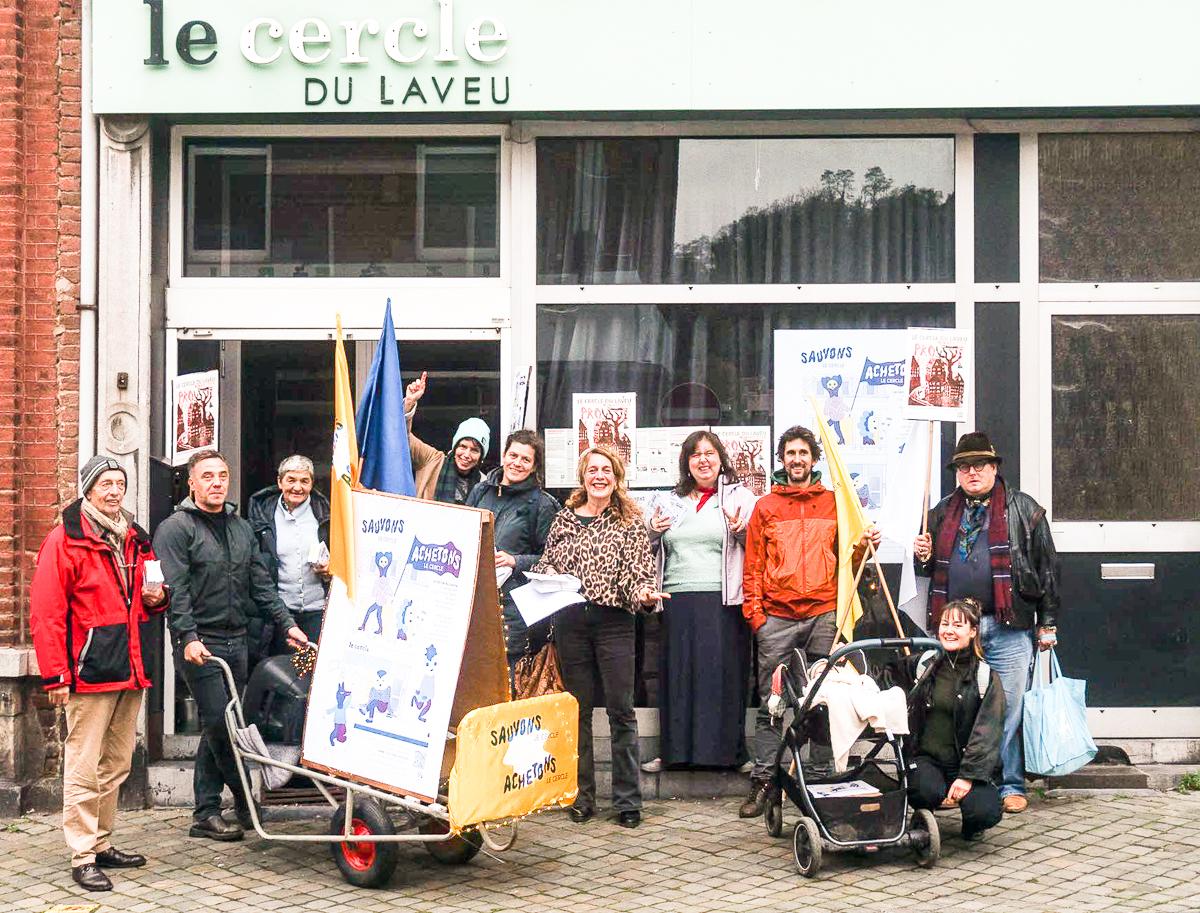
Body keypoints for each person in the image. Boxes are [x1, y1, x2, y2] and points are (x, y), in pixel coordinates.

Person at [153, 450, 310, 842]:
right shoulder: (176, 529)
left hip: (237, 639)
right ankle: (243, 800)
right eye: (207, 476)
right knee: (222, 725)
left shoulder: (240, 528)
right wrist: (187, 637)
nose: (217, 482)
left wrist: (287, 624)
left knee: (220, 723)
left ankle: (205, 811)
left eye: (222, 475)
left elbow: (260, 585)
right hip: (200, 642)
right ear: (191, 483)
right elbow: (178, 592)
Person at [29, 456, 169, 892]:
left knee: (117, 764)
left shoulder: (135, 538)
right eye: (104, 484)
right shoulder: (65, 540)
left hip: (129, 667)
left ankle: (103, 842)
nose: (113, 491)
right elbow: (47, 612)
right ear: (87, 490)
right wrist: (56, 675)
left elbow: (152, 598)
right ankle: (83, 854)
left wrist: (157, 597)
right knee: (85, 766)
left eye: (119, 484)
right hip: (89, 672)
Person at [913, 431, 1060, 815]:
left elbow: (1047, 570)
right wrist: (922, 557)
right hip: (958, 630)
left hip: (1008, 624)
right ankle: (966, 779)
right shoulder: (942, 511)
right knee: (961, 705)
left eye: (979, 464)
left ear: (994, 467)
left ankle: (1008, 782)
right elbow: (925, 570)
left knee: (1007, 707)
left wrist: (1047, 623)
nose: (972, 472)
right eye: (964, 466)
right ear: (956, 473)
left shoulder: (1025, 509)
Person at [740, 425, 880, 818]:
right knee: (773, 704)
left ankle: (821, 777)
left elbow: (851, 566)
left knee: (827, 698)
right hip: (777, 618)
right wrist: (757, 617)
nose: (797, 459)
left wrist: (867, 547)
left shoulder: (835, 503)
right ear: (781, 460)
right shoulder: (765, 507)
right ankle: (764, 781)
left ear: (814, 459)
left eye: (803, 453)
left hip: (823, 615)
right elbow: (752, 566)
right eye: (790, 454)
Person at [531, 445, 667, 829]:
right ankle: (581, 796)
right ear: (583, 477)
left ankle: (627, 801)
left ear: (616, 476)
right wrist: (543, 578)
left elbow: (639, 573)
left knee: (621, 711)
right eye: (592, 470)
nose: (599, 476)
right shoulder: (564, 520)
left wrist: (642, 593)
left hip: (614, 624)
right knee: (578, 712)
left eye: (606, 469)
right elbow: (547, 563)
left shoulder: (630, 521)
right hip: (573, 623)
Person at [641, 431, 757, 773]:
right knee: (678, 678)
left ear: (721, 459)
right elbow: (644, 548)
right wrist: (652, 529)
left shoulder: (740, 498)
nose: (703, 460)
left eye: (709, 453)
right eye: (695, 455)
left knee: (723, 678)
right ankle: (673, 753)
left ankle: (732, 755)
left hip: (724, 600)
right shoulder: (668, 501)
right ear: (686, 463)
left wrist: (741, 532)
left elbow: (759, 545)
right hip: (676, 599)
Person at [908, 598, 1005, 841]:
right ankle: (923, 814)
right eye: (945, 624)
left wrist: (967, 776)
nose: (949, 631)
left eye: (958, 626)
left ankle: (972, 825)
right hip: (928, 759)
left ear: (973, 632)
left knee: (985, 811)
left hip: (966, 763)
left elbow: (988, 732)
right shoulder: (924, 665)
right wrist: (848, 665)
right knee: (923, 790)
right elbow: (885, 677)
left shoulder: (985, 676)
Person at [465, 430, 560, 681]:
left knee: (508, 679)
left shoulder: (543, 504)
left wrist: (516, 561)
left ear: (534, 466)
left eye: (525, 459)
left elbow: (552, 557)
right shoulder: (480, 492)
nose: (517, 463)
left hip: (514, 608)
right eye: (513, 455)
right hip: (475, 600)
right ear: (504, 455)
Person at [247, 454, 331, 648]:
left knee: (312, 673)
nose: (297, 487)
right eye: (291, 480)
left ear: (312, 484)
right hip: (279, 615)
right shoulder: (262, 516)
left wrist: (332, 568)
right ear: (279, 482)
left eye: (304, 481)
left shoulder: (327, 514)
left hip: (318, 611)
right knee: (281, 672)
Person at [402, 370, 489, 504]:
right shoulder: (432, 460)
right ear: (455, 447)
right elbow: (403, 438)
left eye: (474, 450)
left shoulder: (484, 485)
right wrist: (409, 402)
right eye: (463, 446)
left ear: (481, 457)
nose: (466, 454)